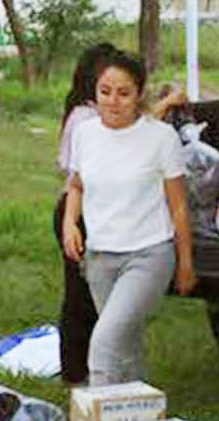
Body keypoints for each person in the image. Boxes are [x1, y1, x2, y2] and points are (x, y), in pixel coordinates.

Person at [62, 50, 197, 387]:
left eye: (124, 93)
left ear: (139, 94)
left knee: (104, 342)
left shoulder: (160, 138)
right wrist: (69, 224)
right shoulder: (85, 134)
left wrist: (185, 263)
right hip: (100, 257)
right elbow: (76, 186)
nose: (113, 101)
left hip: (149, 255)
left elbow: (179, 206)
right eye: (105, 91)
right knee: (127, 343)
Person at [55, 43, 121, 385]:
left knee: (96, 294)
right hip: (78, 214)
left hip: (96, 211)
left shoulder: (92, 112)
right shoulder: (84, 117)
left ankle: (94, 371)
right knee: (82, 297)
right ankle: (76, 374)